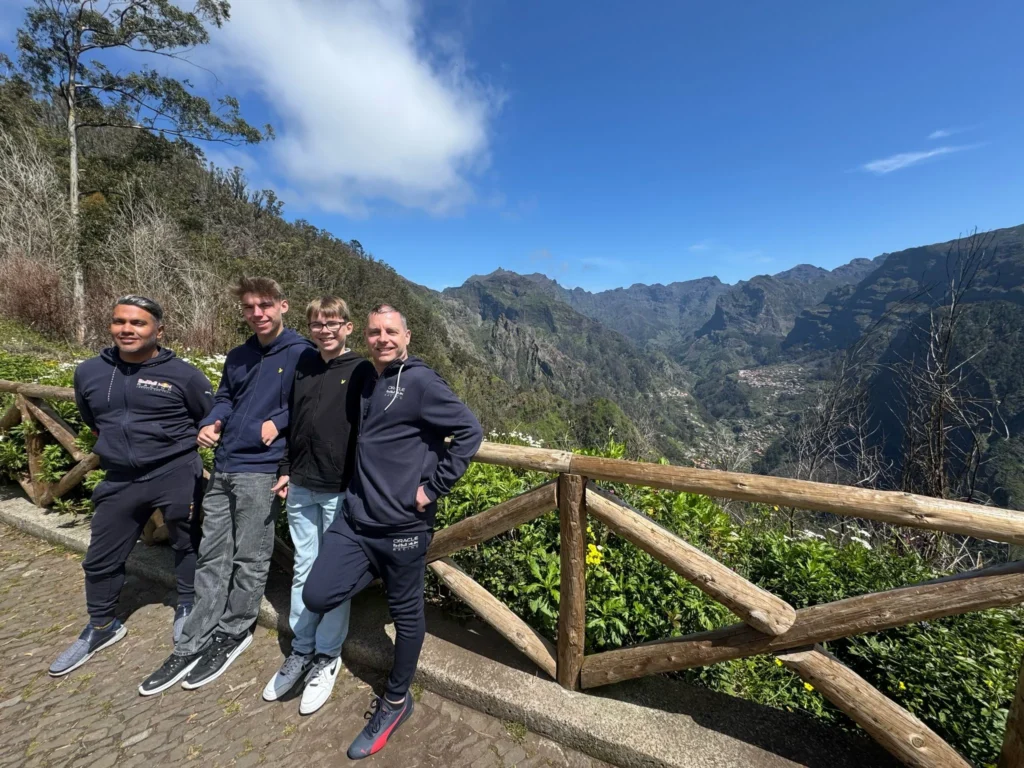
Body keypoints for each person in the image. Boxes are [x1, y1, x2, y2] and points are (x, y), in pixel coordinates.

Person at [303, 303, 483, 759]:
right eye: (374, 332)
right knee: (317, 594)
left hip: (403, 525)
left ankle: (397, 701)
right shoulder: (367, 378)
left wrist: (431, 489)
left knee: (406, 617)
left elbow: (469, 432)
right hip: (355, 518)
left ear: (407, 337)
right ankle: (376, 572)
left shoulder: (420, 382)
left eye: (390, 332)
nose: (382, 338)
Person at [139, 277, 313, 696]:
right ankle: (195, 637)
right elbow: (225, 397)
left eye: (266, 305)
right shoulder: (238, 355)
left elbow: (312, 403)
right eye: (251, 307)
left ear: (283, 305)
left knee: (250, 556)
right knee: (213, 551)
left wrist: (281, 423)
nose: (258, 313)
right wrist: (210, 421)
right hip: (225, 464)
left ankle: (234, 631)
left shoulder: (303, 353)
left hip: (263, 468)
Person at [49, 296, 214, 677]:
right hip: (119, 478)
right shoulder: (89, 372)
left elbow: (209, 418)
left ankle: (187, 603)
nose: (127, 329)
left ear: (158, 330)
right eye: (120, 321)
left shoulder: (185, 374)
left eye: (138, 323)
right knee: (100, 556)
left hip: (175, 471)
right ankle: (102, 626)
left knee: (187, 541)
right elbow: (93, 420)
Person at [262, 296, 373, 714]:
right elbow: (296, 418)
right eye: (317, 324)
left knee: (332, 575)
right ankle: (302, 649)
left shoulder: (361, 369)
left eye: (332, 323)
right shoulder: (304, 365)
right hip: (302, 485)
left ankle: (327, 656)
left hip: (339, 489)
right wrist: (287, 467)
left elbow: (370, 427)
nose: (324, 330)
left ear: (347, 326)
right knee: (303, 568)